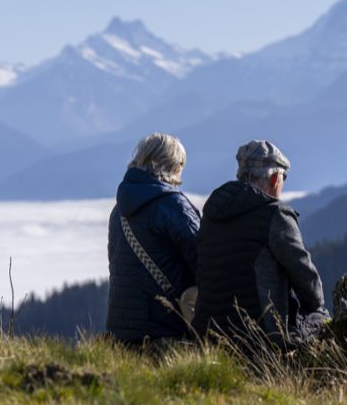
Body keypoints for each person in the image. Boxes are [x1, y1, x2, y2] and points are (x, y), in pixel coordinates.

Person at [192, 140, 330, 351]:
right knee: (322, 318)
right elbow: (309, 285)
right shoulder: (275, 215)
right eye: (284, 178)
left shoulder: (212, 213)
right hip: (259, 341)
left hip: (207, 337)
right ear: (275, 178)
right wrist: (312, 310)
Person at [106, 133, 200, 350]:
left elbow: (116, 264)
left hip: (120, 334)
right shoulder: (173, 205)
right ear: (174, 165)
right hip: (165, 330)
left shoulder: (119, 211)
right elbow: (204, 262)